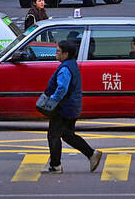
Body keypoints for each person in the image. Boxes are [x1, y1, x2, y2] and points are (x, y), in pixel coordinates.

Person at [41, 40, 104, 174]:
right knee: (68, 135)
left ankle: (55, 165)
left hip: (63, 109)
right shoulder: (72, 65)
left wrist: (52, 101)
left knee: (53, 135)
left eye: (58, 51)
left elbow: (62, 88)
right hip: (72, 107)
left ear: (66, 54)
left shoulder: (65, 69)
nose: (56, 53)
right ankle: (91, 154)